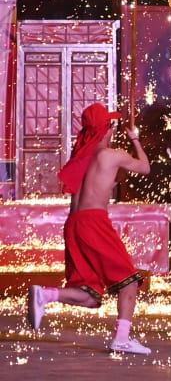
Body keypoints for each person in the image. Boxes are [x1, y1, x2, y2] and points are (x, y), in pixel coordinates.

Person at [27, 103, 152, 354]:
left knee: (89, 294)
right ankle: (122, 339)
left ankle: (45, 295)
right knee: (129, 283)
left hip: (74, 224)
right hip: (94, 222)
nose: (114, 130)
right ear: (106, 129)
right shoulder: (110, 155)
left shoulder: (80, 156)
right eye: (112, 125)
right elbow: (145, 167)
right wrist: (136, 140)